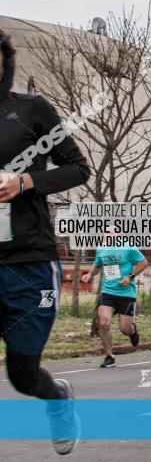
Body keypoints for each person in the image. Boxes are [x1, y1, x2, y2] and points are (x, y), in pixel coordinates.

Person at [0, 29, 89, 455]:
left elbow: (77, 168)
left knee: (23, 376)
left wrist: (27, 181)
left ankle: (57, 399)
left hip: (28, 262)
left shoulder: (32, 111)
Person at [82, 242, 148, 368]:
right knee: (103, 322)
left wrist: (130, 276)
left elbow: (143, 263)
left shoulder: (128, 247)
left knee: (124, 329)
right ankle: (109, 357)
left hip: (126, 294)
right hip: (107, 292)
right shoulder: (101, 248)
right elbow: (97, 265)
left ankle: (132, 331)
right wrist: (90, 274)